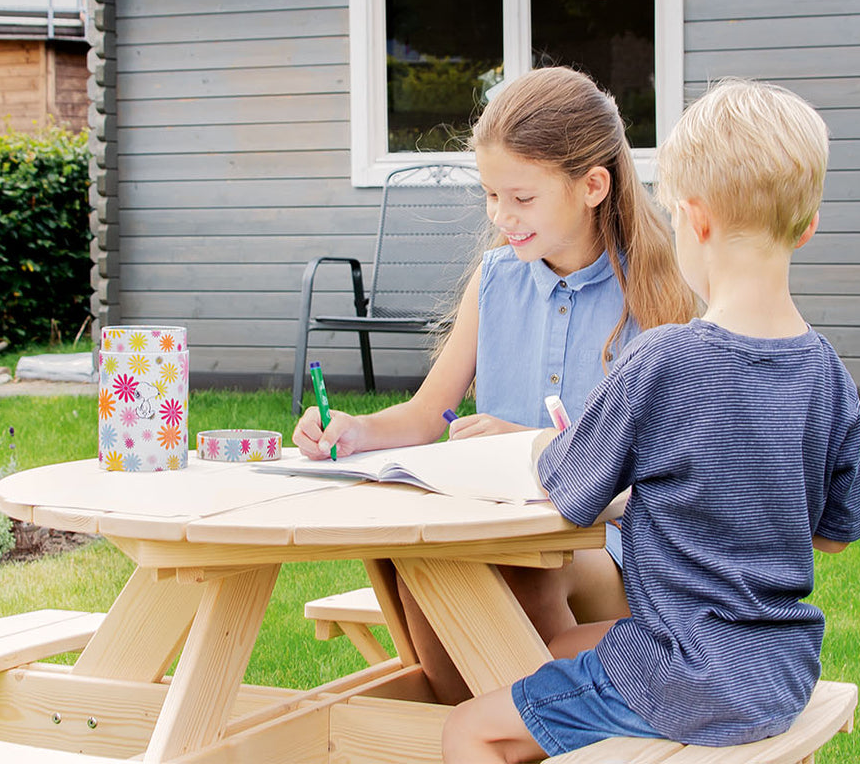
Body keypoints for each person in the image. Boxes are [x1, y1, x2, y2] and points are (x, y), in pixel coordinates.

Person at [441, 78, 860, 762]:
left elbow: (568, 491)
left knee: (466, 727)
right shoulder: (826, 373)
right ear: (807, 224)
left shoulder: (662, 360)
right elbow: (832, 538)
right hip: (779, 667)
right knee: (551, 653)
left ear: (694, 220)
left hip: (684, 670)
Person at [292, 65, 695, 702]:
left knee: (517, 578)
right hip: (488, 529)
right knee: (411, 561)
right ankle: (498, 721)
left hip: (610, 546)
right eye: (490, 195)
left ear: (592, 186)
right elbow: (430, 415)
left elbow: (672, 468)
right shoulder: (497, 280)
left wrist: (532, 448)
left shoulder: (662, 295)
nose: (502, 216)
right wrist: (354, 430)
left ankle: (510, 720)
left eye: (522, 198)